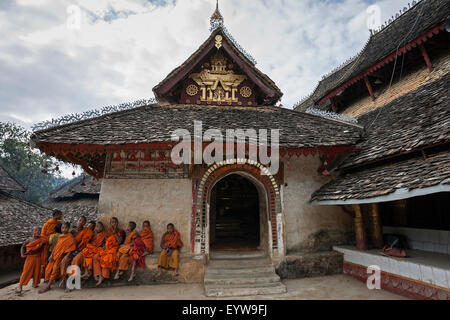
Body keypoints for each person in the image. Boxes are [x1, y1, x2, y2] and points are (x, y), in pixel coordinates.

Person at [39, 222, 76, 294]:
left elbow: (71, 248)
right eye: (62, 228)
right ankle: (49, 283)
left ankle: (48, 286)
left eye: (65, 228)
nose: (64, 229)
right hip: (55, 255)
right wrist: (51, 255)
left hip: (62, 256)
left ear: (68, 228)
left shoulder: (70, 237)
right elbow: (56, 246)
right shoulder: (60, 236)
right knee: (48, 269)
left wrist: (66, 256)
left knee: (55, 270)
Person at [92, 218, 123, 286]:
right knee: (96, 257)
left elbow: (119, 241)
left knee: (107, 258)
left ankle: (103, 277)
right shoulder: (108, 231)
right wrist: (104, 247)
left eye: (115, 222)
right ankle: (98, 274)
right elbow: (105, 241)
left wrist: (115, 233)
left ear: (117, 223)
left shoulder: (121, 231)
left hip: (114, 249)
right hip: (106, 248)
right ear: (110, 223)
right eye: (112, 222)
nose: (114, 223)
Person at [16, 227, 47, 294]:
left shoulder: (42, 240)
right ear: (32, 231)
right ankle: (20, 285)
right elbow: (22, 247)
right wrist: (22, 254)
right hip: (30, 258)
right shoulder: (29, 240)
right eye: (36, 230)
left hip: (38, 258)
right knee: (26, 271)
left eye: (39, 231)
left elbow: (44, 248)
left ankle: (35, 283)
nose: (38, 232)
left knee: (37, 271)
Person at [40, 210, 63, 278]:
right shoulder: (47, 224)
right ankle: (45, 275)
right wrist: (50, 240)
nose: (61, 216)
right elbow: (42, 235)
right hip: (47, 244)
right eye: (60, 215)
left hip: (56, 245)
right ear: (56, 215)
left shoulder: (60, 223)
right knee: (46, 261)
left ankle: (53, 275)